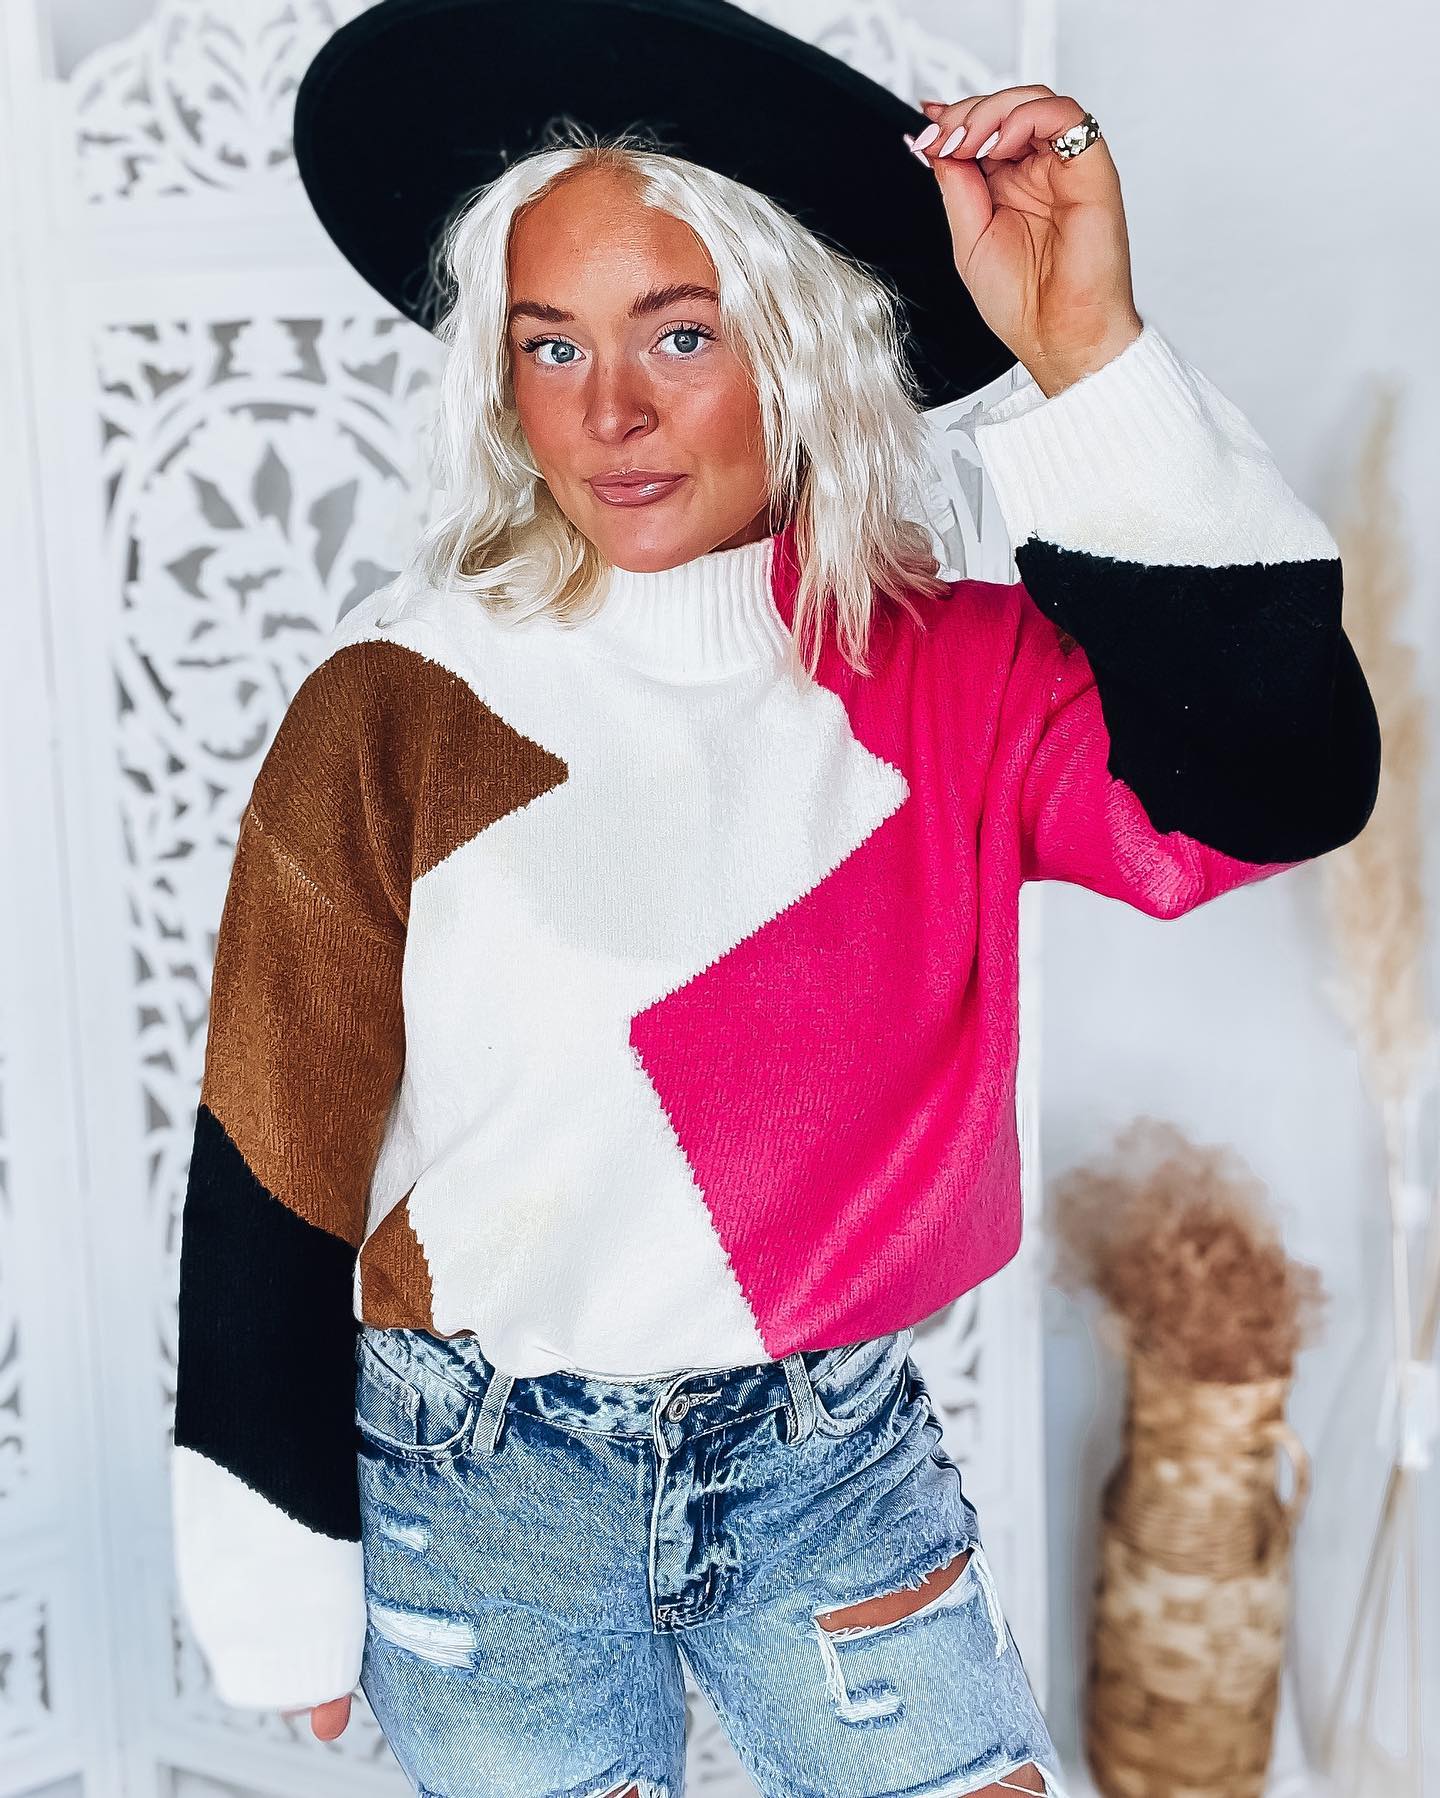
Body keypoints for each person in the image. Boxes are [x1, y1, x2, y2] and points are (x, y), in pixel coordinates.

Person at [167, 4, 1381, 1794]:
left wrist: (1088, 356)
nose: (613, 411)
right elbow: (274, 1153)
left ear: (799, 343)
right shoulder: (394, 700)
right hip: (483, 1479)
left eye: (682, 331)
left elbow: (1281, 785)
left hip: (831, 1463)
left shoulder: (955, 679)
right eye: (551, 344)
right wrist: (274, 1577)